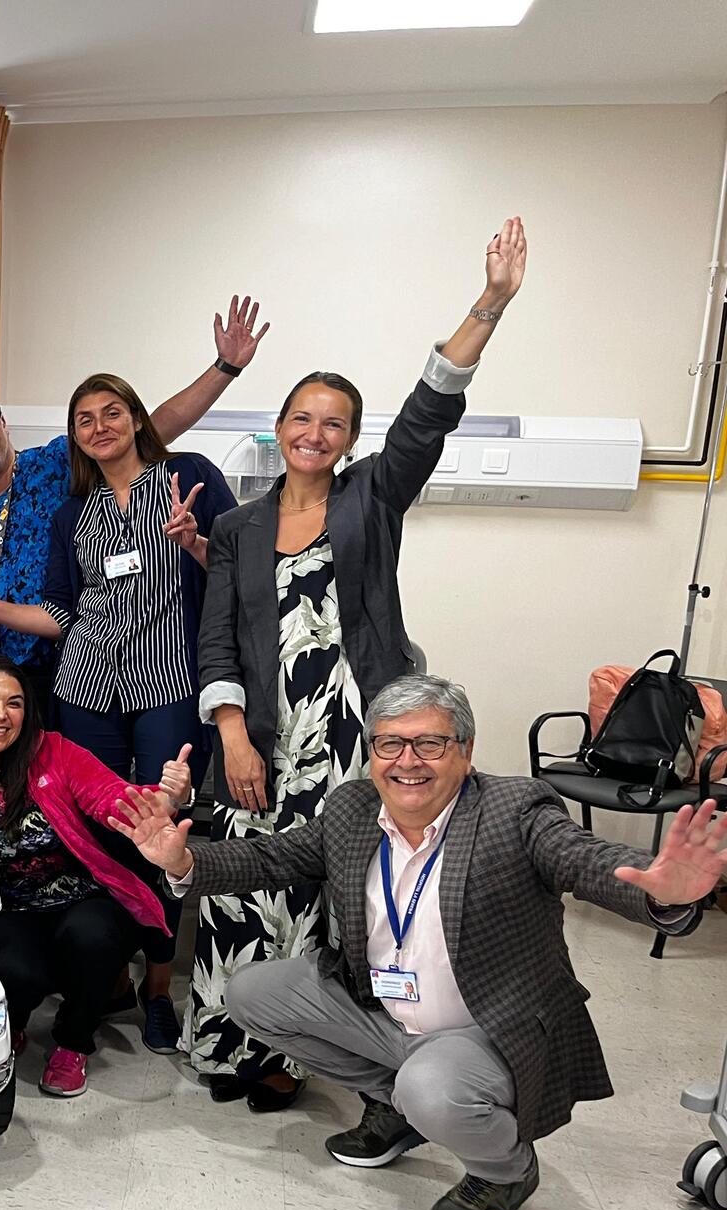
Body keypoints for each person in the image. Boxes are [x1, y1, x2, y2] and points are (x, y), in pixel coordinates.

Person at [112, 674, 723, 1210]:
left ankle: (506, 1168)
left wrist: (660, 890)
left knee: (434, 1087)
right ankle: (400, 1109)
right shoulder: (352, 810)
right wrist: (183, 862)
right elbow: (272, 859)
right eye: (389, 745)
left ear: (466, 749)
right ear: (372, 752)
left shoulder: (516, 810)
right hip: (382, 1009)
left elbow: (584, 860)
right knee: (250, 993)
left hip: (482, 1028)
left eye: (429, 744)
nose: (407, 762)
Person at [189, 218, 528, 1110]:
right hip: (263, 738)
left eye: (333, 422)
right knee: (247, 883)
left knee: (341, 895)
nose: (314, 431)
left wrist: (486, 306)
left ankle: (307, 1057)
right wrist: (232, 735)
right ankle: (234, 1047)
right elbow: (216, 639)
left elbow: (427, 414)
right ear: (280, 426)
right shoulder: (236, 528)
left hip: (355, 735)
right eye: (301, 416)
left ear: (348, 439)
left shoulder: (372, 498)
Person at [0, 373, 238, 1053]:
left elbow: (236, 575)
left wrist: (197, 546)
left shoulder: (188, 477)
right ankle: (106, 978)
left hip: (168, 681)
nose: (99, 427)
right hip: (84, 685)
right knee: (92, 834)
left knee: (159, 831)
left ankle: (157, 990)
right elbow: (60, 614)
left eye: (111, 413)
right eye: (84, 418)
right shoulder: (74, 512)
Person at [0, 297, 270, 697]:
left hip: (72, 656)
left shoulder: (54, 463)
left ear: (3, 423)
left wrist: (225, 369)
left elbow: (154, 427)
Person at [0, 654, 191, 1098]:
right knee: (16, 970)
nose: (0, 714)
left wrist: (164, 797)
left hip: (79, 897)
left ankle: (73, 1042)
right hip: (2, 907)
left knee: (94, 937)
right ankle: (17, 1019)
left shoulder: (54, 751)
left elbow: (110, 797)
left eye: (14, 703)